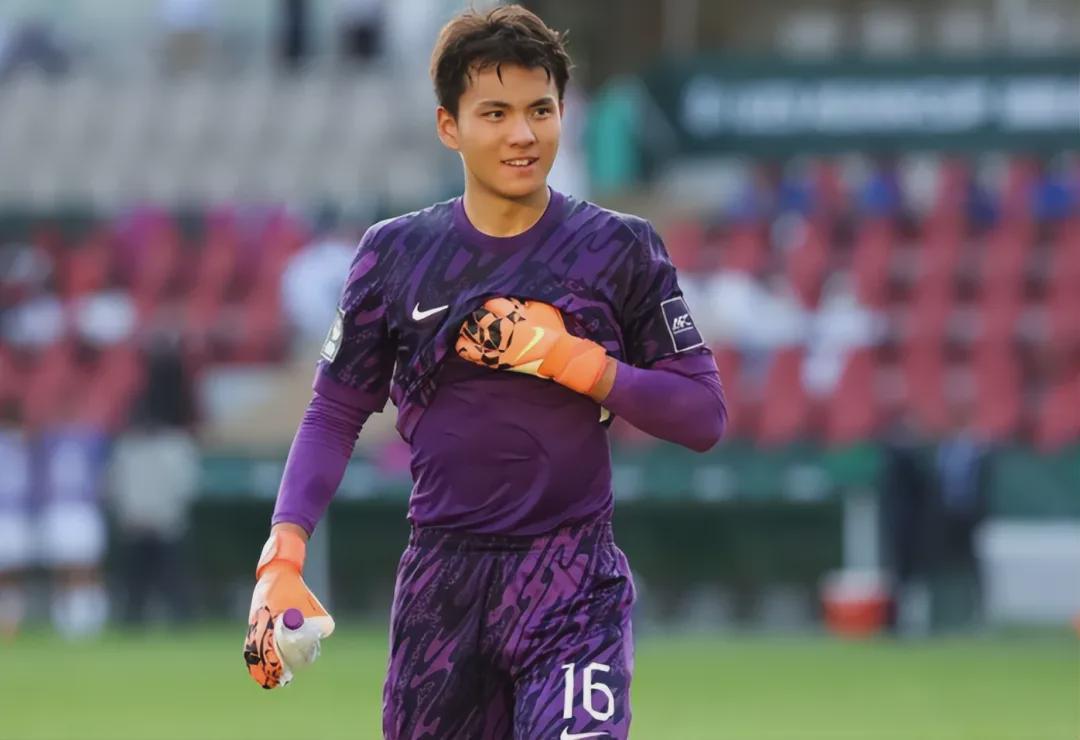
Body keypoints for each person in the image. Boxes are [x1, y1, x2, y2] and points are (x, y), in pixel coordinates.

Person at [242, 6, 727, 739]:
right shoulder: (394, 255)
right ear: (450, 126)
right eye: (495, 113)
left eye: (540, 110)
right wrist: (282, 553)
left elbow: (703, 416)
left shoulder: (620, 249)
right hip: (442, 590)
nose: (522, 134)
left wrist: (578, 363)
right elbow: (333, 414)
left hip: (574, 580)